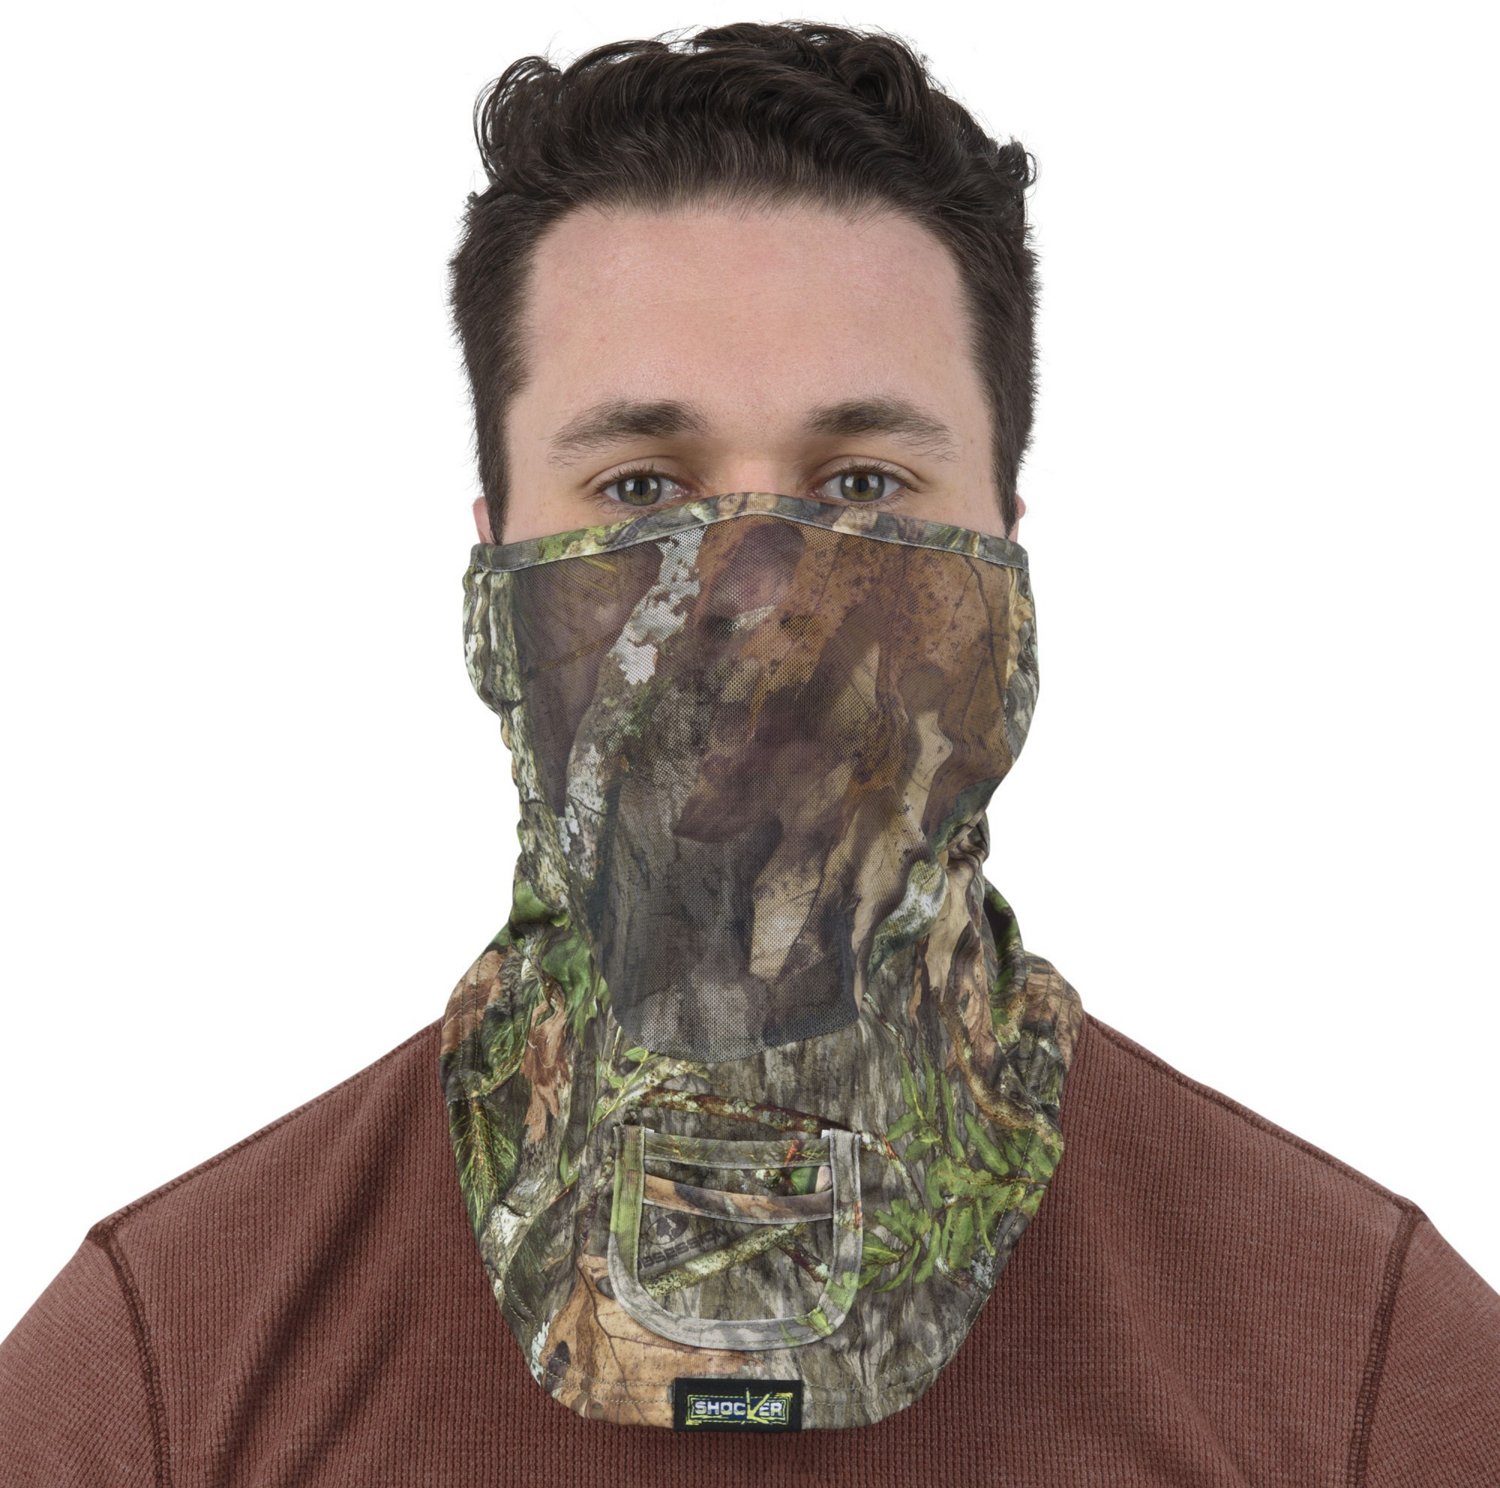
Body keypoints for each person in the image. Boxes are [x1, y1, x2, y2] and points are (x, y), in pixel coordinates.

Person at [2, 18, 1496, 1484]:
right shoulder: (160, 1386)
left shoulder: (1359, 1373)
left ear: (1009, 553)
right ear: (493, 571)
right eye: (641, 486)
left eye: (865, 483)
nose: (759, 593)